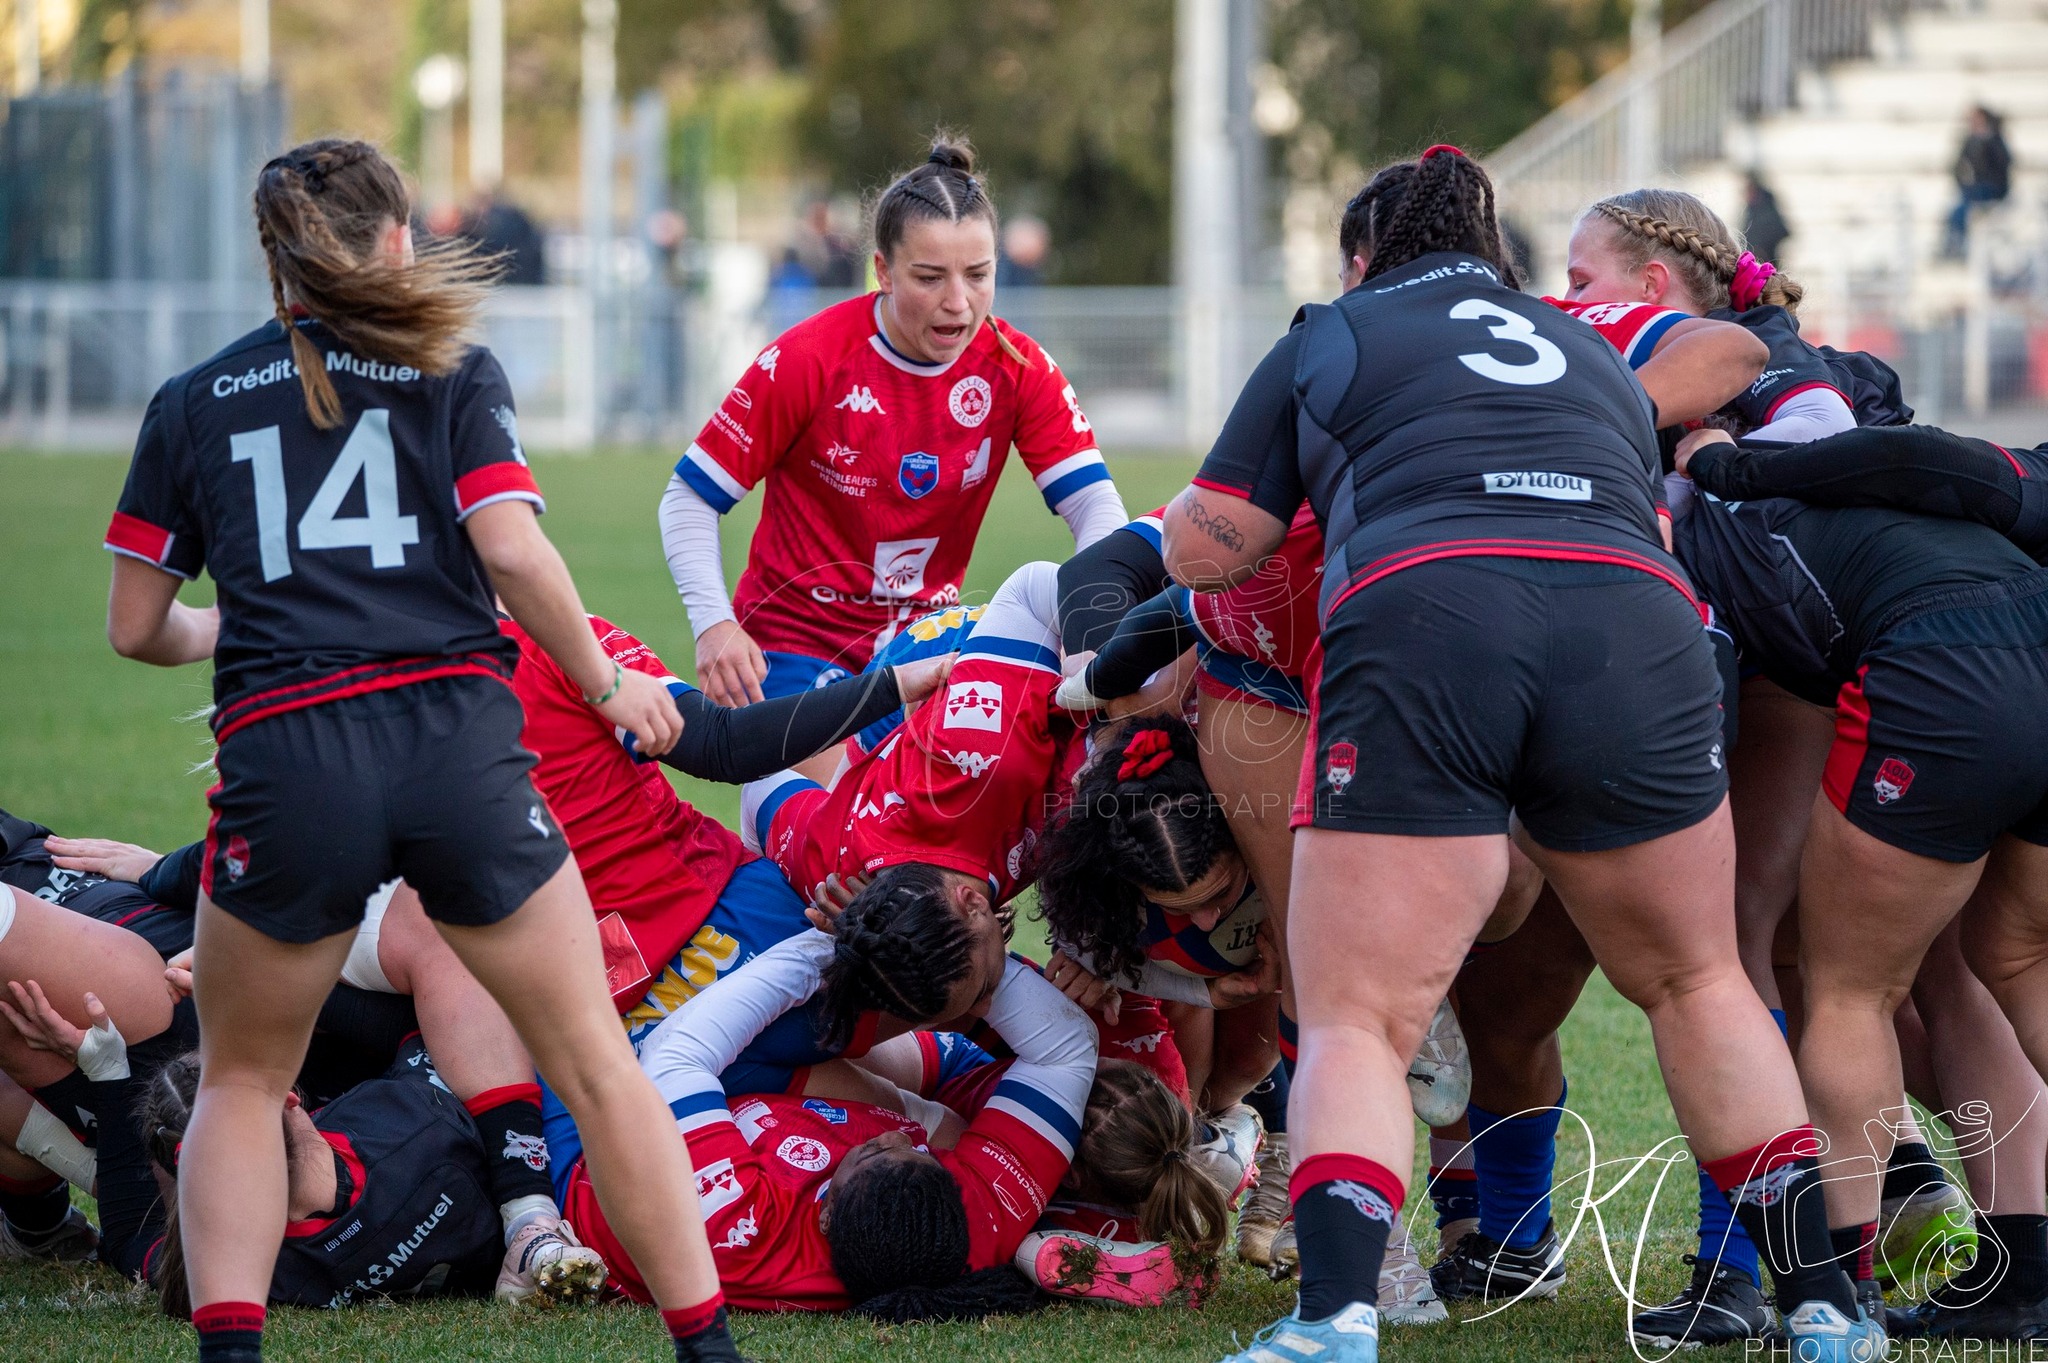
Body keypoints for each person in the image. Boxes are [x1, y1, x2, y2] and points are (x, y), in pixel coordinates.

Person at [1168, 145, 1866, 1363]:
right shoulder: (1571, 325)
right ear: (1498, 256)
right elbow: (1739, 348)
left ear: (1359, 256)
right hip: (1630, 616)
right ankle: (1826, 1308)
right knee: (1698, 981)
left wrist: (1177, 528)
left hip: (1431, 610)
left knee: (1358, 1018)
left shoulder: (1328, 330)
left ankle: (1333, 1321)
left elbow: (1217, 542)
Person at [97, 138, 738, 1363]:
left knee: (240, 1081)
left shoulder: (191, 398)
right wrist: (609, 686)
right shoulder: (453, 365)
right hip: (456, 747)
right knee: (598, 1068)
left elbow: (136, 629)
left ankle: (231, 1352)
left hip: (289, 756)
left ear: (270, 263)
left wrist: (240, 621)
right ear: (399, 242)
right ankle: (708, 1350)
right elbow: (508, 550)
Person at [1668, 427, 2048, 1339]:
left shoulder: (1698, 505)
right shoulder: (1835, 458)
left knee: (1848, 991)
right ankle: (2027, 1275)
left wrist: (1726, 464)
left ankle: (1843, 1295)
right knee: (2019, 955)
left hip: (1945, 664)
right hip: (2034, 631)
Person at [658, 135, 1126, 777]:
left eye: (980, 275)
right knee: (824, 845)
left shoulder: (1017, 367)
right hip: (795, 649)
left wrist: (1090, 615)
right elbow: (689, 495)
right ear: (882, 270)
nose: (958, 302)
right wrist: (713, 625)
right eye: (929, 278)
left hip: (928, 648)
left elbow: (1096, 503)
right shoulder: (811, 359)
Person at [566, 924, 1097, 1318]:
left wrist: (846, 939)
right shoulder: (967, 1226)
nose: (890, 1136)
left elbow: (673, 1057)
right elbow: (1067, 1049)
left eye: (868, 1152)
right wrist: (962, 945)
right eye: (920, 1155)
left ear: (826, 1216)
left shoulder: (735, 1221)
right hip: (772, 1100)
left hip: (591, 1150)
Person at [1945, 106, 2012, 260]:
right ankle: (1956, 245)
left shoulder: (1995, 139)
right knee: (1958, 210)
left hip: (1995, 189)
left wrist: (1987, 142)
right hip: (1976, 189)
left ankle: (1958, 245)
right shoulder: (1971, 140)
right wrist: (1963, 185)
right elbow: (1957, 166)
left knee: (1962, 208)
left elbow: (2005, 164)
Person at [1742, 170, 1791, 266]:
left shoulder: (1767, 210)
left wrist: (1761, 247)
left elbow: (1780, 231)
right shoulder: (1751, 210)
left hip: (1767, 258)